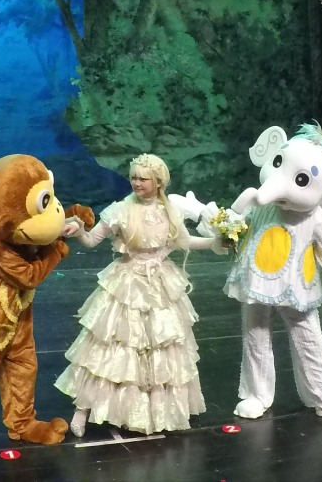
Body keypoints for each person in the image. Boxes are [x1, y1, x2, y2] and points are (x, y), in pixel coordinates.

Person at [56, 153, 224, 437]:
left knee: (160, 348)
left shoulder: (170, 211)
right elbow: (93, 239)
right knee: (111, 347)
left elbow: (184, 240)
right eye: (134, 177)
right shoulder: (121, 210)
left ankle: (151, 411)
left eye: (143, 179)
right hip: (127, 282)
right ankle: (83, 409)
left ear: (158, 182)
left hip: (159, 284)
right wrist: (79, 231)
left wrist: (215, 242)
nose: (136, 183)